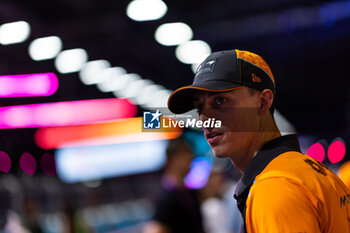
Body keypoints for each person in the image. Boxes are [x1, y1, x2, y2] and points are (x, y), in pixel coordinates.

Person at [167, 49, 350, 233]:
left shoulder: (275, 187)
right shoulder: (310, 171)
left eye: (220, 101)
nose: (205, 119)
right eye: (199, 107)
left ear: (263, 101)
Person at [143, 137, 205, 233]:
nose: (191, 160)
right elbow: (155, 228)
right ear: (173, 160)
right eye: (187, 155)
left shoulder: (190, 192)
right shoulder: (164, 197)